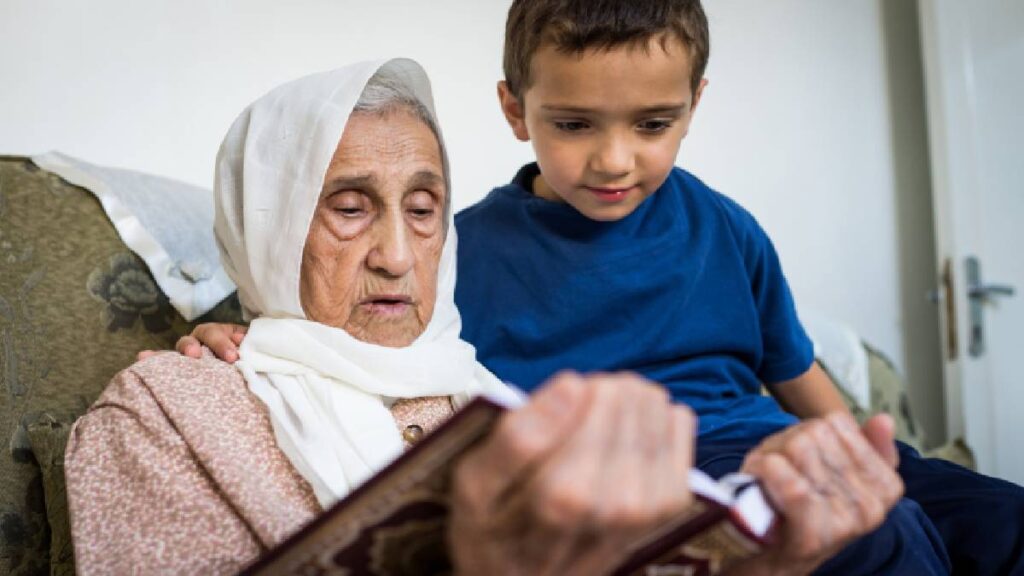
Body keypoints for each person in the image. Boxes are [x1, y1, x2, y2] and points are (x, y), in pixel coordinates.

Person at [184, 1, 1024, 575]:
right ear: (517, 111)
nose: (615, 160)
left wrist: (862, 458)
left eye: (653, 125)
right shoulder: (460, 247)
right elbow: (335, 318)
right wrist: (233, 332)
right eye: (576, 125)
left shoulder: (727, 229)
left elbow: (798, 374)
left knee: (999, 518)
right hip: (675, 476)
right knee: (885, 540)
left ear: (694, 105)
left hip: (782, 441)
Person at [69, 58, 902, 575]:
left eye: (425, 208)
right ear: (266, 226)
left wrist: (773, 565)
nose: (399, 254)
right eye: (350, 207)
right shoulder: (168, 411)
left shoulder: (491, 399)